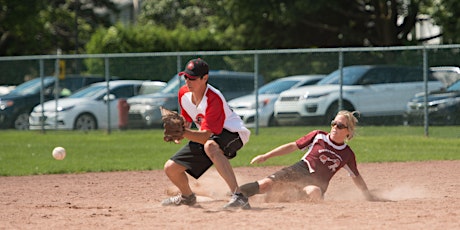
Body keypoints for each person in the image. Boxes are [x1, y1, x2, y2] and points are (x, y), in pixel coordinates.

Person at [161, 58, 251, 209]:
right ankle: (187, 197)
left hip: (233, 132)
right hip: (209, 134)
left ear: (205, 78)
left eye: (193, 78)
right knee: (171, 168)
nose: (188, 81)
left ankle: (239, 196)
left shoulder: (213, 98)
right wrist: (179, 131)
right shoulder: (184, 93)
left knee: (210, 146)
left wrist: (182, 133)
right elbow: (188, 119)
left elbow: (204, 136)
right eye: (186, 77)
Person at [239, 110, 383, 202]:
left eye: (340, 126)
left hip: (316, 183)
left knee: (315, 193)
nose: (335, 128)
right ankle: (237, 193)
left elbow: (355, 176)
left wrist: (366, 194)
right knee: (265, 184)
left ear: (348, 132)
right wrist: (267, 156)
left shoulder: (347, 154)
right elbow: (293, 146)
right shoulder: (318, 136)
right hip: (299, 170)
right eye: (334, 123)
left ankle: (285, 194)